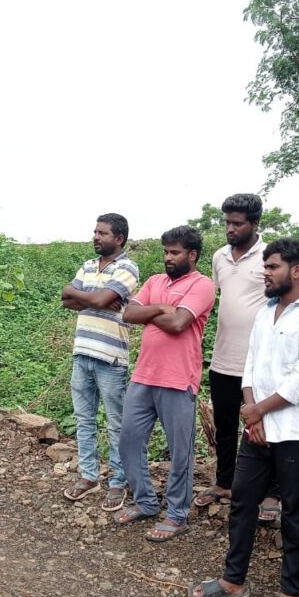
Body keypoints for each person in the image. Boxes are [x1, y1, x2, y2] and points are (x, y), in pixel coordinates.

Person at [189, 239, 299, 597]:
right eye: (266, 266)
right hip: (256, 429)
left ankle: (290, 592)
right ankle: (233, 579)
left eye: (272, 267)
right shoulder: (266, 313)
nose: (265, 272)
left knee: (295, 512)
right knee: (243, 503)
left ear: (296, 270)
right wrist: (252, 415)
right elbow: (250, 366)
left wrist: (259, 412)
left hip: (291, 432)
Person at [115, 225, 215, 542]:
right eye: (166, 252)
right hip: (144, 376)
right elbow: (127, 313)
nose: (168, 258)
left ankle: (176, 515)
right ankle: (145, 502)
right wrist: (158, 307)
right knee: (129, 441)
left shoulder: (203, 285)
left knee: (180, 453)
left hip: (178, 379)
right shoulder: (156, 281)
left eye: (175, 252)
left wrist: (148, 312)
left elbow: (178, 323)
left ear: (192, 254)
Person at [193, 193, 281, 525]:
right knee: (226, 424)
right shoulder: (219, 257)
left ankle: (272, 491)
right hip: (224, 355)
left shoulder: (270, 256)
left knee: (264, 425)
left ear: (255, 223)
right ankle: (224, 481)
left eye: (237, 223)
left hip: (259, 360)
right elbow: (216, 299)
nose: (230, 228)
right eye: (227, 222)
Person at [60, 214, 139, 511]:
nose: (95, 237)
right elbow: (66, 299)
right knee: (84, 419)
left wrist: (88, 296)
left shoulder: (128, 267)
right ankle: (89, 476)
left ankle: (118, 481)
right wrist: (96, 298)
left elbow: (88, 298)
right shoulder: (88, 266)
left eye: (102, 233)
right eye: (95, 231)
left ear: (118, 238)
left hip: (111, 357)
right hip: (82, 352)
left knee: (116, 423)